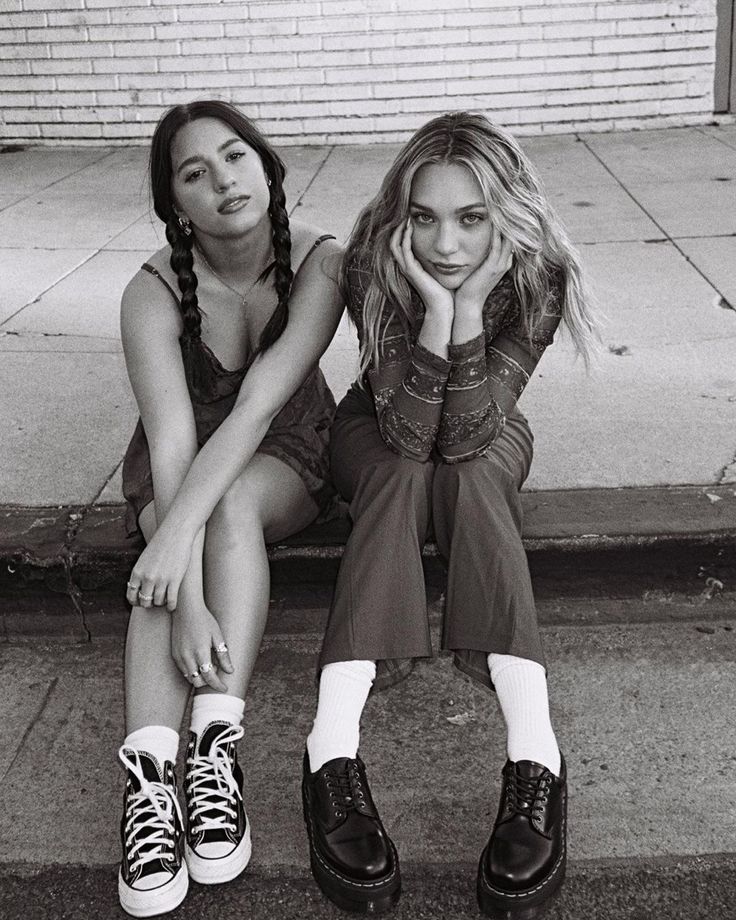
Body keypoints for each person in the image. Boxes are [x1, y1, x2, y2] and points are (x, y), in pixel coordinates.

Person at [301, 112, 597, 917]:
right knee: (401, 474)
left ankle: (535, 756)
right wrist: (437, 310)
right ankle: (331, 750)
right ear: (402, 214)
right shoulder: (371, 259)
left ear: (505, 215)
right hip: (379, 424)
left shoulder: (538, 273)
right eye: (426, 217)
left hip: (486, 421)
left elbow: (467, 434)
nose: (446, 244)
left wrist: (468, 315)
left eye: (471, 219)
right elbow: (402, 429)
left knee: (466, 478)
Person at [117, 100, 342, 918]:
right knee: (165, 541)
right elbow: (174, 447)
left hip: (283, 447)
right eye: (193, 173)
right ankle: (149, 785)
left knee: (225, 511)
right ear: (175, 203)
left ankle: (213, 752)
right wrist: (185, 591)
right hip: (180, 466)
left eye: (236, 157)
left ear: (268, 165)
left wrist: (182, 561)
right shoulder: (147, 295)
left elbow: (253, 412)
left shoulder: (321, 264)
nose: (223, 181)